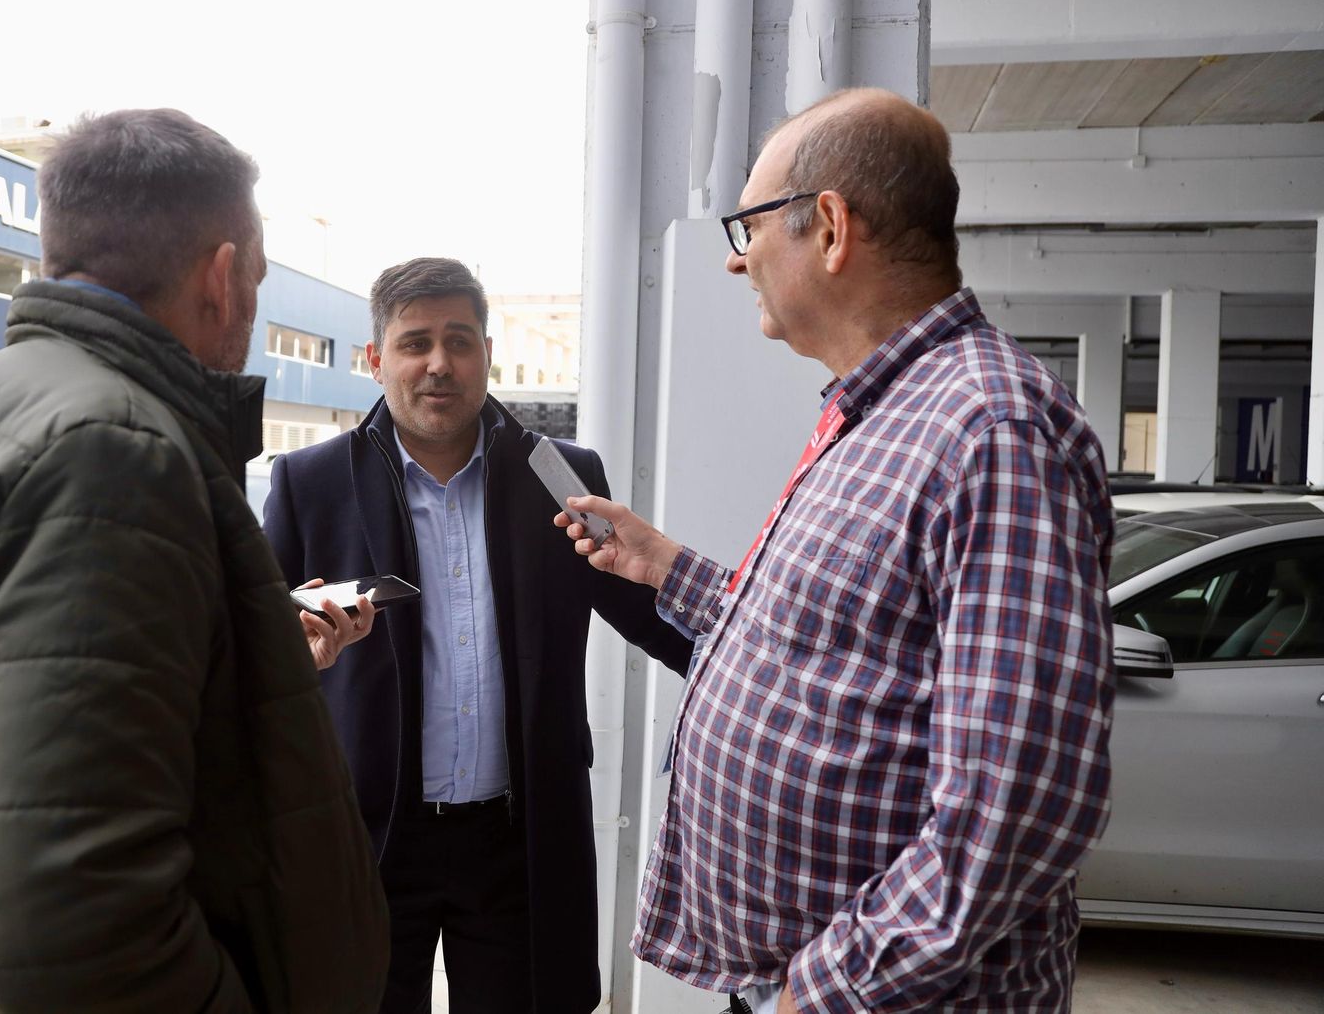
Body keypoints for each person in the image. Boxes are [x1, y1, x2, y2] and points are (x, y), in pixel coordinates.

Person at [0, 109, 388, 1014]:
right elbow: (73, 930)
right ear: (225, 276)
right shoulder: (110, 454)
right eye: (261, 279)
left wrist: (239, 648)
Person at [558, 88, 1115, 1013]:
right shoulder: (882, 410)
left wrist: (824, 988)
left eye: (750, 227)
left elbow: (1016, 813)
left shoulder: (993, 428)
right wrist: (666, 570)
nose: (739, 262)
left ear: (828, 226)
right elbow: (832, 646)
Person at [262, 257, 694, 1013]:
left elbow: (649, 616)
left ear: (488, 355)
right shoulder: (311, 482)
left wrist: (762, 665)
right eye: (414, 343)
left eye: (460, 341)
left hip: (516, 837)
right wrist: (297, 653)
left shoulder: (560, 477)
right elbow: (258, 656)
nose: (439, 364)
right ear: (375, 360)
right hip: (369, 837)